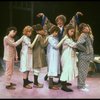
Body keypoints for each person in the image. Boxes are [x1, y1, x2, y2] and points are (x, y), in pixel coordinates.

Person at [37, 12, 83, 85]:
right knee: (54, 64)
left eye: (61, 20)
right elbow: (47, 23)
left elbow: (72, 23)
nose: (59, 22)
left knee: (63, 65)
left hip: (64, 49)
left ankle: (62, 80)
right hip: (55, 49)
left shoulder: (66, 28)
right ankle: (51, 77)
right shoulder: (54, 28)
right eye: (58, 21)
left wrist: (76, 16)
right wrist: (43, 16)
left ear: (64, 21)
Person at [60, 24, 86, 92]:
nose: (72, 33)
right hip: (66, 56)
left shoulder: (70, 38)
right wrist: (81, 41)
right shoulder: (66, 38)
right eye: (71, 31)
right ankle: (63, 86)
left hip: (69, 56)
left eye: (73, 32)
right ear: (67, 31)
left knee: (68, 69)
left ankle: (64, 83)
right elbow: (74, 45)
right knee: (66, 69)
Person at [47, 25, 67, 90]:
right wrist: (63, 39)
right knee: (51, 69)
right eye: (55, 32)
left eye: (57, 32)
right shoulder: (50, 38)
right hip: (52, 56)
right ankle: (50, 85)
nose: (56, 33)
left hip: (56, 55)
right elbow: (56, 46)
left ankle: (52, 82)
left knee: (54, 68)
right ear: (52, 31)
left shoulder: (56, 38)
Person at [77, 23, 94, 92]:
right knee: (82, 71)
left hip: (87, 56)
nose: (87, 28)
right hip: (83, 56)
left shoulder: (88, 35)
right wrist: (85, 49)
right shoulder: (83, 35)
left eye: (87, 27)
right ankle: (81, 86)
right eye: (84, 28)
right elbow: (78, 44)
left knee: (85, 71)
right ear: (82, 30)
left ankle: (82, 83)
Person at [29, 24, 48, 88]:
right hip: (38, 54)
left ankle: (36, 82)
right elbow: (43, 45)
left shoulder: (35, 36)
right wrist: (47, 38)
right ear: (38, 31)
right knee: (37, 69)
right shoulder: (39, 36)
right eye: (42, 29)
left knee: (36, 69)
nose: (43, 30)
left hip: (35, 53)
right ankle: (36, 83)